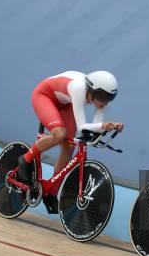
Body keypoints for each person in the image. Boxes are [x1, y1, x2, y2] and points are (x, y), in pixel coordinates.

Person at [17, 70, 124, 213]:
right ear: (91, 89)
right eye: (101, 96)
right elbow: (83, 127)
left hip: (64, 103)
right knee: (60, 134)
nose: (104, 101)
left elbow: (94, 128)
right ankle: (25, 159)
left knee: (69, 147)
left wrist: (108, 128)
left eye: (109, 98)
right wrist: (104, 125)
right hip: (44, 96)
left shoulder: (100, 100)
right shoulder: (79, 88)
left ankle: (52, 192)